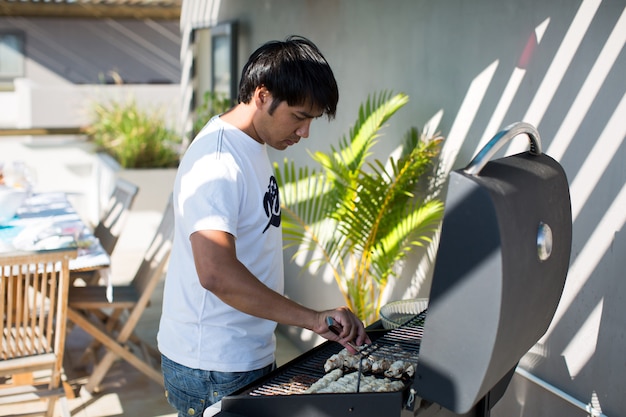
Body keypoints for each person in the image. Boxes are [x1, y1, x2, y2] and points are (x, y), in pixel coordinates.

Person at [157, 35, 370, 417]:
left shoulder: (250, 145)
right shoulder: (218, 162)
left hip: (241, 352)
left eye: (312, 120)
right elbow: (216, 274)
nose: (305, 132)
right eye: (300, 117)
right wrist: (313, 319)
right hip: (213, 364)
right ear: (261, 94)